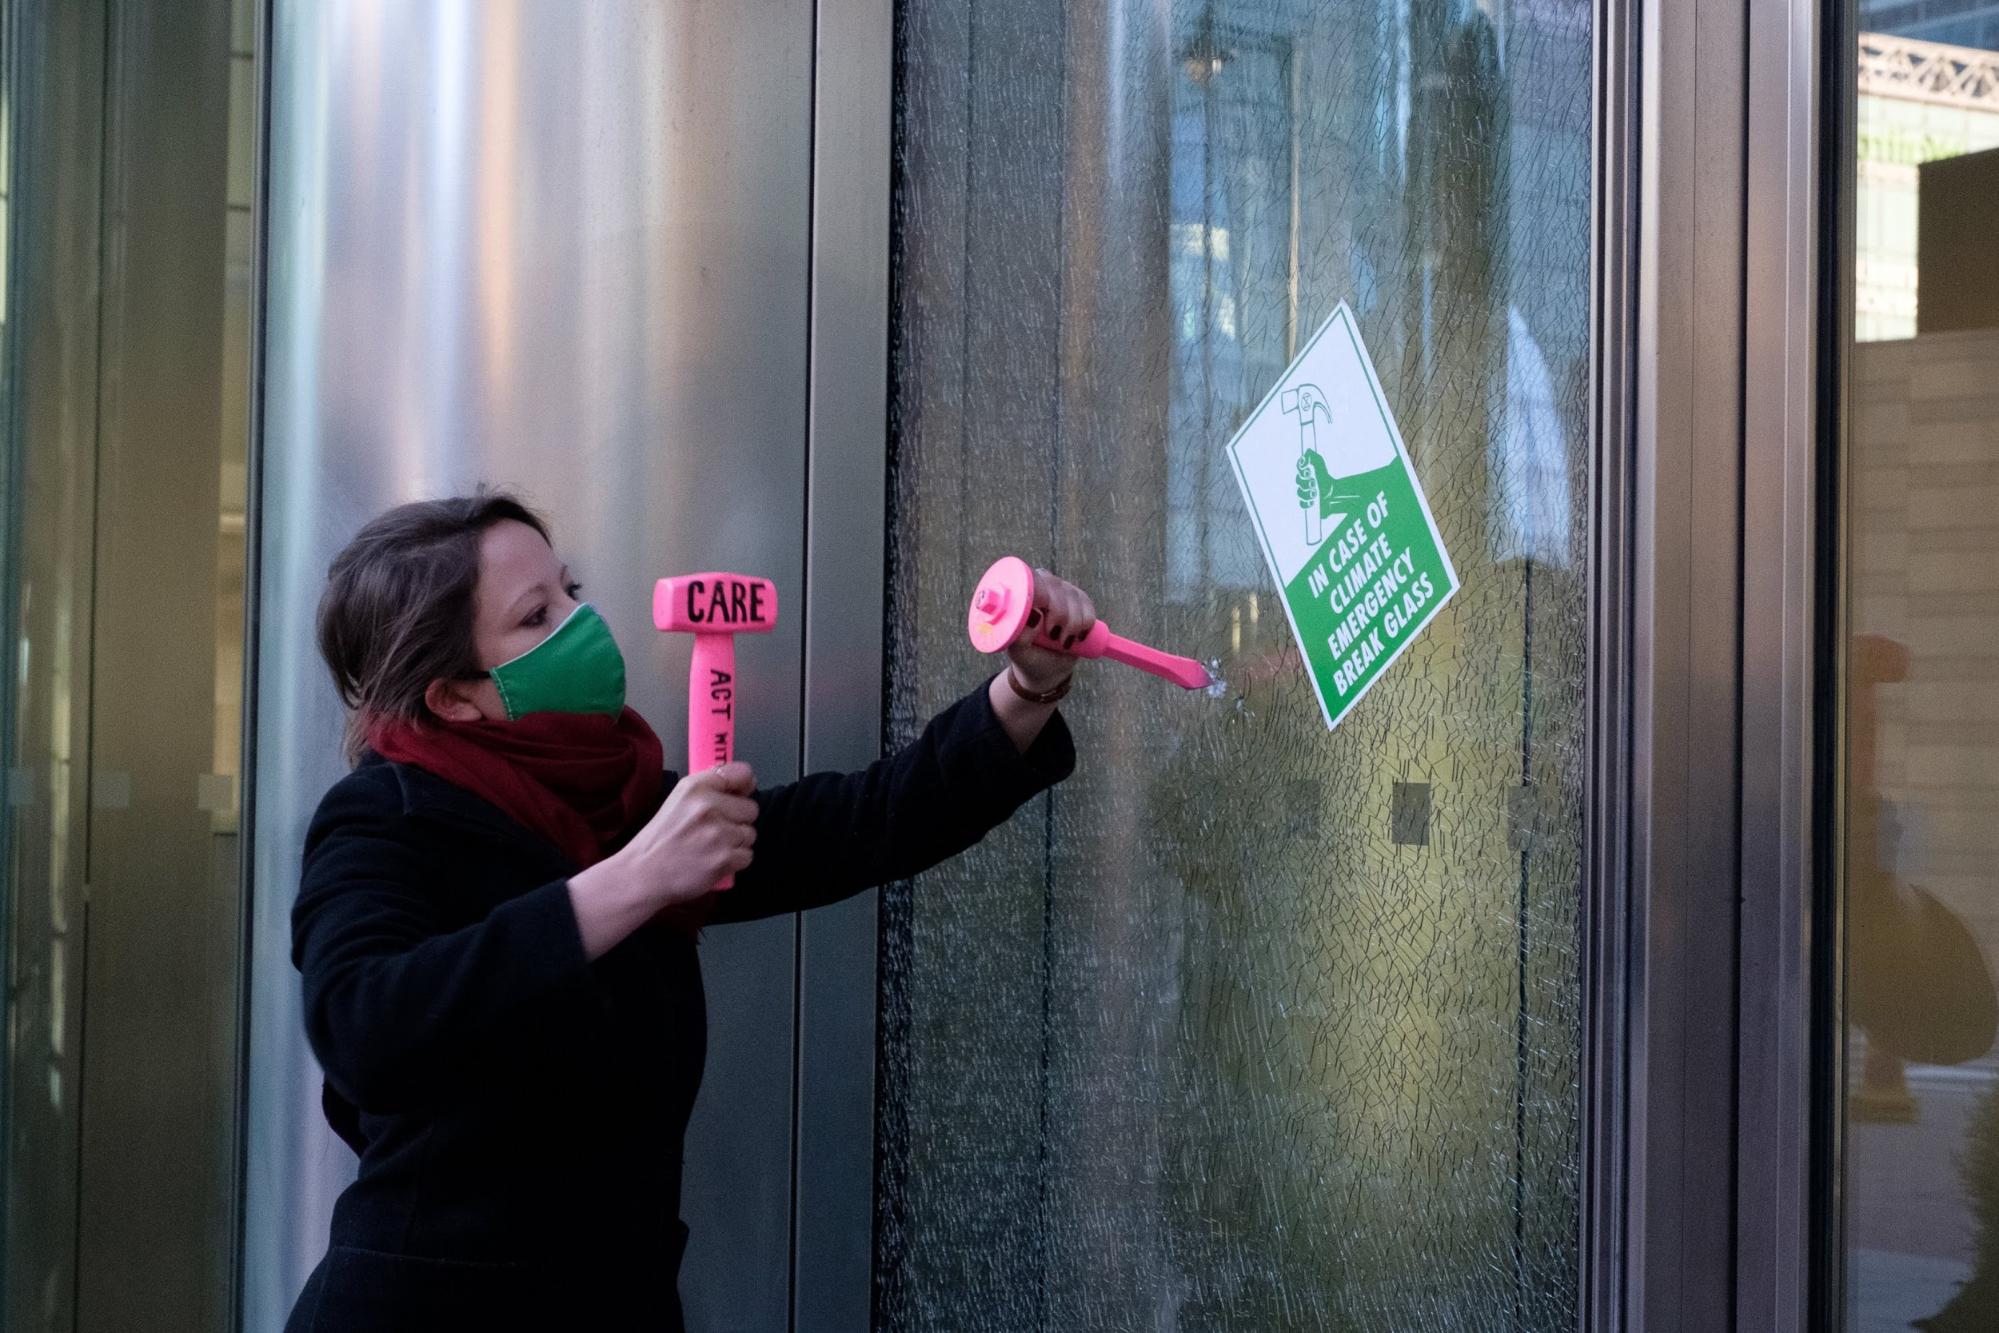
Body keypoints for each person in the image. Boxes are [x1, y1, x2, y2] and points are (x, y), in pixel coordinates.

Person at [284, 492, 1090, 1331]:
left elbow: (857, 825)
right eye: (535, 616)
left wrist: (1028, 687)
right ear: (452, 696)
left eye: (569, 589)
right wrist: (636, 879)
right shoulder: (383, 816)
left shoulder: (616, 803)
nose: (580, 621)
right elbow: (362, 1023)